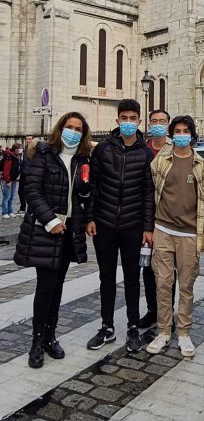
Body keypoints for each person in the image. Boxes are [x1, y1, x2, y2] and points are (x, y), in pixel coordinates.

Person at [14, 112, 92, 368]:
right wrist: (51, 221)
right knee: (45, 286)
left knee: (58, 286)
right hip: (46, 229)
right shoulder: (44, 154)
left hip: (70, 231)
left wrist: (87, 204)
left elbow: (85, 196)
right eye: (69, 127)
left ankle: (50, 335)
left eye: (78, 128)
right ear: (60, 129)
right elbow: (32, 191)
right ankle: (36, 341)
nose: (73, 131)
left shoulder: (83, 160)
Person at [86, 99, 154, 354]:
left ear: (139, 121)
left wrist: (148, 226)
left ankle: (133, 327)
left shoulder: (146, 152)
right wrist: (90, 218)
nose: (128, 122)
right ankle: (106, 326)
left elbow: (149, 193)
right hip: (103, 223)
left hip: (133, 225)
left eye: (132, 118)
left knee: (132, 279)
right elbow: (94, 186)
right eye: (123, 117)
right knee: (106, 277)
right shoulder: (103, 149)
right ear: (117, 120)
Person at [148, 114, 204, 358]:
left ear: (192, 135)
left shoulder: (201, 165)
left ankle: (184, 332)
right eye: (178, 131)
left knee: (186, 285)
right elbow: (153, 190)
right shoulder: (160, 161)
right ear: (172, 134)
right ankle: (164, 330)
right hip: (163, 230)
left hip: (189, 234)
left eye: (186, 131)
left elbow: (203, 195)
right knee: (163, 284)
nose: (182, 135)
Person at [139, 108, 174, 330]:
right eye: (154, 121)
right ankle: (153, 310)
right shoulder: (142, 149)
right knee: (147, 267)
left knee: (168, 269)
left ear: (168, 124)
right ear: (149, 124)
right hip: (144, 218)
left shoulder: (176, 149)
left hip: (168, 218)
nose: (158, 124)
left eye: (162, 121)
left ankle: (167, 313)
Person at [1, 141, 22, 218]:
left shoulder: (15, 156)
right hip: (8, 179)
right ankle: (4, 212)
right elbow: (7, 169)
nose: (21, 150)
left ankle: (10, 211)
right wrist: (8, 181)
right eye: (20, 148)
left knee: (12, 196)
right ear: (16, 149)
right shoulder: (9, 156)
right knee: (7, 196)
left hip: (13, 179)